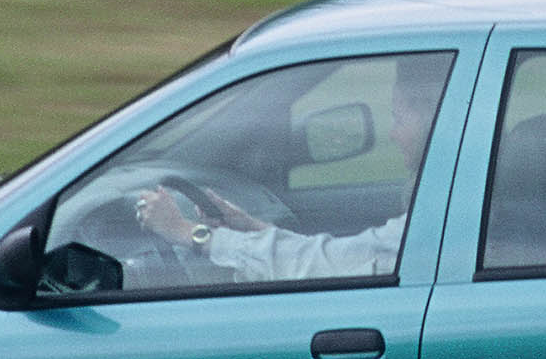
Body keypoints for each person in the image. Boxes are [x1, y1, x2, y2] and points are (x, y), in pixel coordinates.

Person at [133, 57, 445, 282]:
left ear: (435, 124)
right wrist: (251, 227)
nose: (391, 134)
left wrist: (190, 234)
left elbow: (329, 264)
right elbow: (333, 256)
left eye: (399, 119)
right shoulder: (456, 206)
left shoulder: (441, 222)